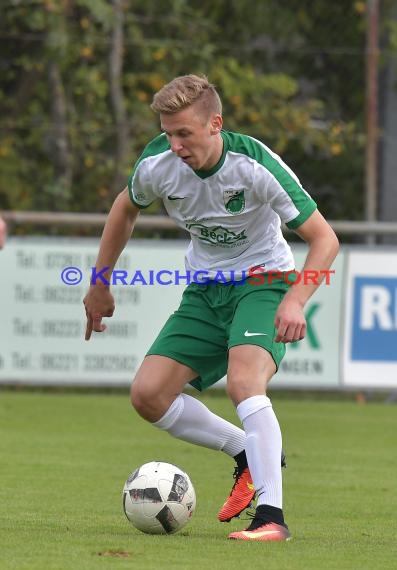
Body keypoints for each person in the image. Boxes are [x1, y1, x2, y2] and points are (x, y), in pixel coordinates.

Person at [83, 74, 339, 541]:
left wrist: (297, 300)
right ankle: (245, 449)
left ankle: (271, 518)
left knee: (245, 383)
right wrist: (100, 283)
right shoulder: (158, 163)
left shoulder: (255, 165)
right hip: (204, 289)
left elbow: (325, 239)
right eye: (168, 133)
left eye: (185, 133)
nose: (175, 144)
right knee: (149, 396)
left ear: (215, 124)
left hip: (265, 281)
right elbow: (124, 208)